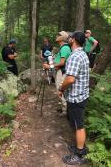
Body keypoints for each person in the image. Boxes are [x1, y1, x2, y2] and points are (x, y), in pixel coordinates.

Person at [58, 31, 89, 165]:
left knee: (79, 126)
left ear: (74, 40)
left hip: (76, 97)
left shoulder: (75, 56)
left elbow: (70, 79)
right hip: (81, 95)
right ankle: (80, 146)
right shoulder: (82, 53)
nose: (68, 38)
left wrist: (61, 88)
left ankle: (79, 154)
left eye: (70, 37)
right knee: (77, 123)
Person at [54, 31, 71, 113]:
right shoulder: (63, 47)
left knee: (59, 90)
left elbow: (62, 63)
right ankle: (64, 107)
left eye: (59, 35)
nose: (57, 35)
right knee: (60, 90)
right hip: (61, 71)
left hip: (62, 71)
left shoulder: (64, 48)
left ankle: (65, 110)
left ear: (63, 38)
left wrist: (50, 66)